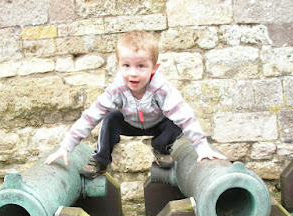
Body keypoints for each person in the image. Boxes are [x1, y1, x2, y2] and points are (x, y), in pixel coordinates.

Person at [45, 30, 226, 178]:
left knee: (175, 121)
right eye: (126, 66)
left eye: (141, 66)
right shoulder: (116, 89)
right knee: (110, 118)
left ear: (154, 67)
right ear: (118, 65)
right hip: (128, 123)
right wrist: (65, 146)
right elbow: (90, 117)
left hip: (157, 124)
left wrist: (202, 148)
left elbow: (186, 116)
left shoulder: (162, 89)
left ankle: (161, 148)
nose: (133, 73)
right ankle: (100, 160)